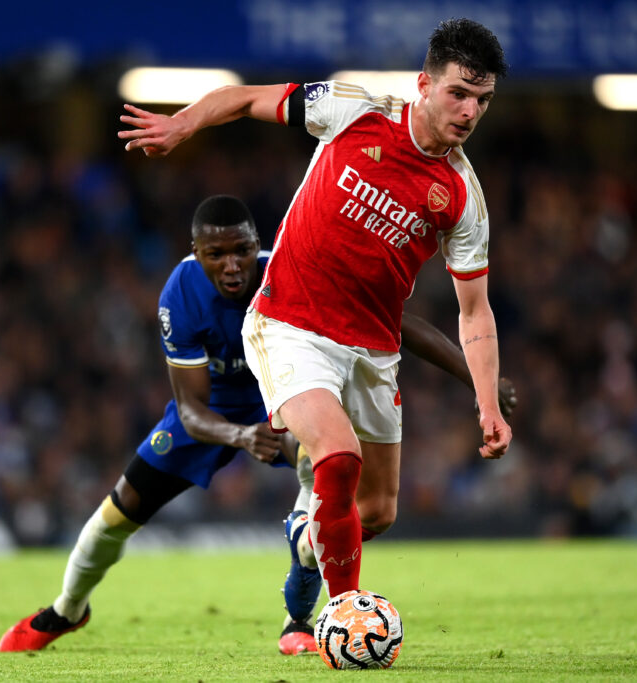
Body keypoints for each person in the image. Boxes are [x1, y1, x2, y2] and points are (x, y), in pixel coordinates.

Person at [0, 195, 516, 655]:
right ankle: (68, 609)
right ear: (194, 254)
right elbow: (193, 409)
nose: (231, 265)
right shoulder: (179, 297)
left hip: (283, 392)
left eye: (241, 250)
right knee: (117, 514)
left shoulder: (290, 270)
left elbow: (393, 322)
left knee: (329, 472)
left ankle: (300, 620)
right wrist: (241, 436)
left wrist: (475, 378)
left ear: (257, 245)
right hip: (213, 415)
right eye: (215, 254)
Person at [117, 18, 512, 601]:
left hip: (373, 349)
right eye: (459, 93)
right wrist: (182, 124)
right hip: (289, 325)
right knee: (337, 455)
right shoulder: (357, 110)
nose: (469, 112)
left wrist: (487, 404)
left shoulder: (462, 197)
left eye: (483, 100)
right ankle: (343, 613)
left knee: (374, 512)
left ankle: (306, 541)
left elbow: (474, 311)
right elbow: (246, 98)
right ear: (423, 84)